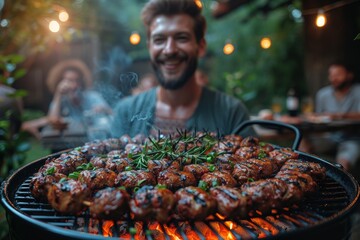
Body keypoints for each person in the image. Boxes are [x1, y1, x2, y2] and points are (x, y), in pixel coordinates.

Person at [112, 0, 253, 138]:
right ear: (150, 47)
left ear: (201, 46)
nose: (169, 50)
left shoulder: (231, 113)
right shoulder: (126, 112)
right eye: (159, 40)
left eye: (181, 38)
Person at [22, 59, 112, 140]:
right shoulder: (61, 101)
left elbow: (113, 115)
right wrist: (58, 94)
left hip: (93, 140)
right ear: (60, 82)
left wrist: (105, 109)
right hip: (67, 143)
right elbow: (53, 120)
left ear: (82, 82)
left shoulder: (93, 97)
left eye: (77, 80)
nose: (74, 85)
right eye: (69, 80)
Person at [308, 62, 360, 171]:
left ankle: (342, 184)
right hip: (329, 137)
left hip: (352, 139)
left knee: (343, 164)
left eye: (338, 75)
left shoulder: (358, 91)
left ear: (349, 75)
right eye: (331, 75)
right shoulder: (323, 94)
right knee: (302, 142)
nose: (333, 78)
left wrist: (337, 115)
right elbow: (318, 118)